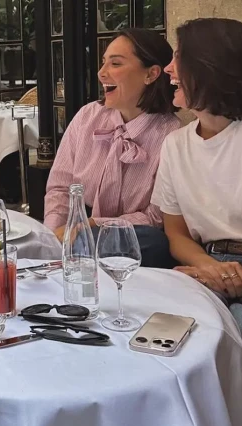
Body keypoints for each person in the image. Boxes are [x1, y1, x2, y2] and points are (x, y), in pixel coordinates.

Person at [44, 28, 181, 268]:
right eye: (103, 63)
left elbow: (156, 217)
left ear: (151, 74)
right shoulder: (87, 116)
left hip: (128, 238)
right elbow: (60, 187)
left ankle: (78, 255)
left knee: (153, 241)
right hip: (75, 231)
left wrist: (95, 225)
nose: (101, 73)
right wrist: (54, 234)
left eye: (115, 63)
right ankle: (66, 255)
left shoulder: (172, 135)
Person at [150, 18, 242, 325]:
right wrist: (208, 266)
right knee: (159, 323)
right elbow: (175, 233)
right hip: (207, 265)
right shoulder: (175, 145)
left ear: (209, 66)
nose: (167, 69)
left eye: (178, 57)